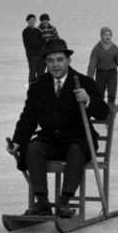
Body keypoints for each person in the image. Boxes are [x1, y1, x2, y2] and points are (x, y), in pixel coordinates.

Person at [7, 38, 109, 217]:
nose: (55, 65)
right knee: (32, 148)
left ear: (68, 61)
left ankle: (64, 202)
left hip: (78, 139)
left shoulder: (84, 82)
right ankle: (43, 203)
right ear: (46, 62)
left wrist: (88, 100)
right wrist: (17, 142)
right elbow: (28, 118)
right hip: (50, 141)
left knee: (77, 150)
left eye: (60, 60)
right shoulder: (38, 86)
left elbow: (103, 113)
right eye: (51, 60)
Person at [86, 27, 118, 104]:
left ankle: (111, 111)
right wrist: (89, 78)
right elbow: (92, 64)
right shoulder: (97, 49)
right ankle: (100, 111)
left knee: (112, 94)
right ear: (101, 36)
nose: (108, 37)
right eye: (105, 35)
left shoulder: (115, 49)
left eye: (109, 35)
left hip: (112, 74)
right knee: (99, 94)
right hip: (100, 73)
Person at [22, 14, 44, 84]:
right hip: (31, 55)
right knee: (32, 72)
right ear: (27, 21)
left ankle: (40, 88)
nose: (32, 21)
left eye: (33, 19)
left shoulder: (37, 31)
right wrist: (38, 44)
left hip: (40, 55)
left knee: (41, 73)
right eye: (30, 20)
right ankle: (31, 88)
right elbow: (30, 43)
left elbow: (43, 41)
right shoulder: (25, 31)